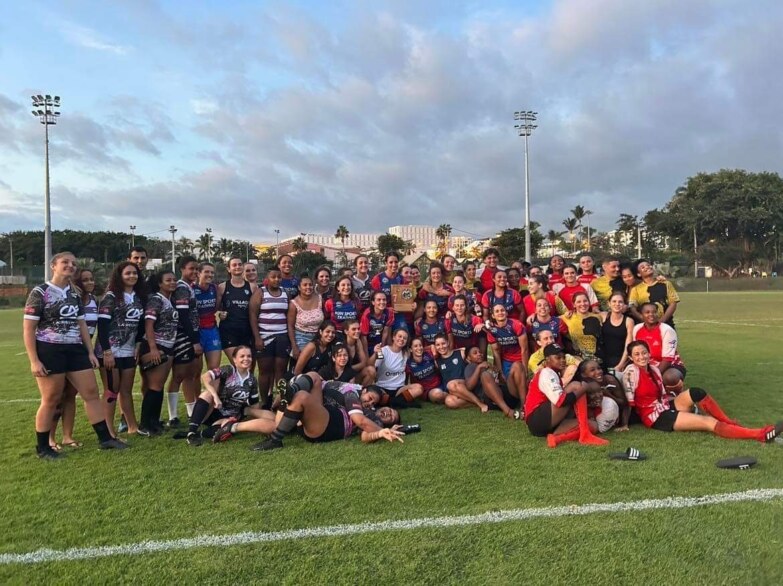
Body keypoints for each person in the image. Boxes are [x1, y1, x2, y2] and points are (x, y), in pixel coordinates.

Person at [23, 252, 127, 458]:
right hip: (50, 348)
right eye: (65, 262)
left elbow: (81, 324)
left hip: (75, 348)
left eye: (73, 264)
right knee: (51, 398)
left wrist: (89, 352)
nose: (70, 266)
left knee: (90, 392)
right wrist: (34, 360)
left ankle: (105, 439)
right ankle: (43, 448)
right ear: (53, 266)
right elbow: (28, 328)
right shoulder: (40, 291)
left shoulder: (74, 293)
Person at [622, 341, 781, 442]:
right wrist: (624, 424)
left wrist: (672, 398)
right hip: (655, 416)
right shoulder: (631, 372)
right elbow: (629, 402)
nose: (641, 356)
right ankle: (759, 434)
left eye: (644, 352)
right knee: (708, 422)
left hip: (664, 405)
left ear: (649, 353)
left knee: (697, 392)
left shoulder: (654, 369)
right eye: (637, 354)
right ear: (630, 357)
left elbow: (661, 395)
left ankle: (729, 422)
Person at [238, 373, 404, 451]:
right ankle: (289, 394)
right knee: (315, 378)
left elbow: (363, 431)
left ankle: (276, 439)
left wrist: (381, 432)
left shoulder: (375, 422)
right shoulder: (356, 398)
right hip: (323, 414)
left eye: (391, 418)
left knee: (301, 397)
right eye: (390, 410)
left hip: (328, 427)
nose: (388, 414)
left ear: (389, 423)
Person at [49, 267, 99, 450]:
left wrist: (92, 351)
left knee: (71, 395)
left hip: (81, 353)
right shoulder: (67, 298)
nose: (90, 283)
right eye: (85, 280)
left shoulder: (94, 301)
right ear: (77, 281)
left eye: (91, 279)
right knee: (57, 396)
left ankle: (67, 436)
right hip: (62, 351)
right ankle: (50, 438)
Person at [523, 344, 609, 447]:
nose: (562, 360)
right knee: (576, 386)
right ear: (547, 360)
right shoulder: (547, 372)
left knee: (593, 425)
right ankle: (585, 434)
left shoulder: (554, 373)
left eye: (563, 357)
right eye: (558, 357)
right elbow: (562, 401)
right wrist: (584, 388)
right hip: (536, 420)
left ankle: (557, 438)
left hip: (546, 423)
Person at [97, 261, 146, 437]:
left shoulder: (138, 297)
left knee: (126, 390)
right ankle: (108, 431)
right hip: (111, 350)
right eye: (128, 273)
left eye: (134, 273)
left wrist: (139, 343)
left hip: (129, 349)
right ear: (120, 276)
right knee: (111, 390)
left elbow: (140, 324)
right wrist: (106, 351)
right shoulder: (111, 296)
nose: (132, 276)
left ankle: (133, 426)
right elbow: (102, 325)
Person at [185, 345, 260, 446]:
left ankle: (200, 434)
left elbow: (254, 404)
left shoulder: (252, 380)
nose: (246, 359)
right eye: (242, 356)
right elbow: (205, 376)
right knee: (207, 394)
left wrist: (253, 420)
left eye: (249, 356)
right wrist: (215, 396)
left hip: (230, 417)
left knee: (228, 425)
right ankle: (191, 433)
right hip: (215, 410)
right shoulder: (229, 370)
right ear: (234, 359)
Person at [138, 270, 180, 436]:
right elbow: (148, 324)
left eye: (174, 280)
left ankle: (154, 421)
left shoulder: (169, 300)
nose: (172, 282)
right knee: (154, 386)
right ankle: (145, 424)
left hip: (167, 345)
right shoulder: (156, 299)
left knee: (158, 386)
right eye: (168, 280)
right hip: (156, 345)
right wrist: (153, 348)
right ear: (160, 284)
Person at [166, 256, 203, 428]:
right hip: (183, 335)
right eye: (191, 269)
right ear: (182, 269)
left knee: (189, 374)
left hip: (190, 334)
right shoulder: (181, 287)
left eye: (197, 269)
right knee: (180, 375)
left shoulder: (190, 287)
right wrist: (194, 340)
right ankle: (174, 416)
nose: (195, 272)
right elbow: (184, 316)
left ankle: (190, 412)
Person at [249, 265, 290, 407]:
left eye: (279, 277)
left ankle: (279, 401)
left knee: (280, 370)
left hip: (282, 337)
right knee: (264, 370)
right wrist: (257, 337)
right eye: (273, 277)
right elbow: (253, 315)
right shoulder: (261, 292)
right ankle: (265, 402)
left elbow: (288, 316)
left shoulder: (285, 293)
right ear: (267, 278)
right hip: (265, 337)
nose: (277, 279)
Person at [632, 302, 686, 392]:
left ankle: (679, 397)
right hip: (645, 365)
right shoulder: (637, 328)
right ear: (641, 315)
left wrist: (652, 376)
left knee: (670, 377)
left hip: (669, 366)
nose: (651, 315)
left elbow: (667, 359)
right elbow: (635, 351)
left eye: (654, 312)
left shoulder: (667, 330)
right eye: (647, 312)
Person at [485, 303, 529, 408]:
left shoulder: (516, 324)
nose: (500, 313)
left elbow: (525, 349)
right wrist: (500, 372)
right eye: (497, 311)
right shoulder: (491, 330)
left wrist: (525, 369)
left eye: (502, 310)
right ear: (492, 316)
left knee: (522, 377)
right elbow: (496, 352)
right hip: (506, 360)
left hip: (521, 358)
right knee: (507, 384)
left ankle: (524, 404)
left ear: (506, 312)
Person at [432, 334, 489, 412]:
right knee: (449, 401)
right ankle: (479, 401)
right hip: (454, 391)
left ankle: (480, 404)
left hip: (466, 385)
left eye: (443, 343)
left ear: (448, 343)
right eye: (437, 345)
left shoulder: (461, 352)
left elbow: (474, 358)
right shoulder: (437, 361)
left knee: (451, 384)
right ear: (435, 346)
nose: (441, 347)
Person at [216, 256, 257, 363]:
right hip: (229, 331)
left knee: (246, 367)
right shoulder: (222, 287)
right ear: (229, 269)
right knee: (238, 364)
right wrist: (220, 314)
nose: (237, 267)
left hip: (247, 331)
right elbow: (216, 307)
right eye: (234, 265)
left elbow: (256, 309)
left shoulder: (252, 287)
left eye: (240, 264)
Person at [463, 345, 520, 419]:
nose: (479, 354)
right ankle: (507, 411)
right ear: (469, 358)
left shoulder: (489, 365)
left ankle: (523, 403)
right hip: (491, 399)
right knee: (485, 375)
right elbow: (469, 386)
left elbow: (502, 382)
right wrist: (479, 368)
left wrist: (498, 374)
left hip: (505, 394)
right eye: (475, 353)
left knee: (516, 367)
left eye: (480, 352)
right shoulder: (470, 367)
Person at [373, 328, 424, 408]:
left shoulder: (406, 353)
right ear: (393, 337)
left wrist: (431, 346)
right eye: (399, 336)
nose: (401, 339)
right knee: (376, 395)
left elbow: (418, 351)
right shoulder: (383, 351)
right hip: (383, 387)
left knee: (419, 388)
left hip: (399, 389)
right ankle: (401, 402)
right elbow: (374, 367)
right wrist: (375, 353)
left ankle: (393, 402)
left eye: (404, 338)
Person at [574, 358, 626, 432]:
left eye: (599, 368)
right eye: (592, 370)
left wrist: (608, 394)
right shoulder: (581, 385)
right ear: (583, 374)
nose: (598, 372)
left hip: (613, 414)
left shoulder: (609, 380)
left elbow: (623, 403)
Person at [628, 259, 680, 326]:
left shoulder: (666, 284)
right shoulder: (636, 289)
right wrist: (645, 320)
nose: (647, 267)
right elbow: (633, 308)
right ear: (638, 274)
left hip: (666, 325)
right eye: (643, 267)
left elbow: (673, 303)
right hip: (646, 327)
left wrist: (663, 320)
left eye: (648, 265)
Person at [287, 275, 324, 361]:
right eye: (305, 285)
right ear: (299, 287)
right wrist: (294, 346)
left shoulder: (319, 299)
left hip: (318, 338)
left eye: (310, 285)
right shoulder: (294, 303)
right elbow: (290, 326)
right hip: (301, 338)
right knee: (302, 366)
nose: (308, 287)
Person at [371, 252, 410, 331]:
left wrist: (411, 304)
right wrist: (387, 309)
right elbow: (372, 300)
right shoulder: (377, 279)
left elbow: (406, 298)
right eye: (391, 262)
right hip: (382, 313)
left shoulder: (402, 279)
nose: (394, 264)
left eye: (396, 262)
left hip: (398, 314)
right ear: (386, 263)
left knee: (404, 333)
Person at [597, 292, 634, 375]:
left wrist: (620, 365)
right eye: (614, 301)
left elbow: (628, 345)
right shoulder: (603, 316)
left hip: (620, 359)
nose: (617, 304)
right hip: (602, 359)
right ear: (609, 303)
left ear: (625, 305)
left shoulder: (629, 321)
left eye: (620, 302)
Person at [194, 262, 222, 371]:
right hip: (196, 332)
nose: (210, 274)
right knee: (195, 372)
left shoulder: (215, 288)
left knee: (214, 369)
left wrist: (221, 314)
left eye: (212, 272)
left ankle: (212, 389)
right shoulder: (191, 289)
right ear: (198, 273)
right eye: (206, 272)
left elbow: (217, 308)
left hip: (211, 330)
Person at [561, 291, 603, 359]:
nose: (583, 304)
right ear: (574, 304)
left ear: (589, 302)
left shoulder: (598, 317)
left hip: (597, 356)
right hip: (578, 358)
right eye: (579, 302)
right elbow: (551, 320)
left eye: (585, 301)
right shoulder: (568, 317)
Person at [406, 337, 447, 403]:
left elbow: (437, 347)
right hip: (428, 390)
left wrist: (432, 346)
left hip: (440, 383)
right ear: (411, 349)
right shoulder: (408, 363)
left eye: (420, 345)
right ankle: (451, 396)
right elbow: (406, 382)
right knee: (437, 395)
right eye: (415, 346)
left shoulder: (428, 354)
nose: (419, 348)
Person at [360, 290, 394, 357]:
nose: (382, 302)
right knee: (371, 364)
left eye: (384, 300)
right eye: (379, 300)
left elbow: (386, 332)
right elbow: (363, 337)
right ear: (373, 302)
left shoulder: (389, 312)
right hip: (369, 344)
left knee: (381, 359)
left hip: (381, 342)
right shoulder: (367, 314)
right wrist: (366, 355)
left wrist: (383, 349)